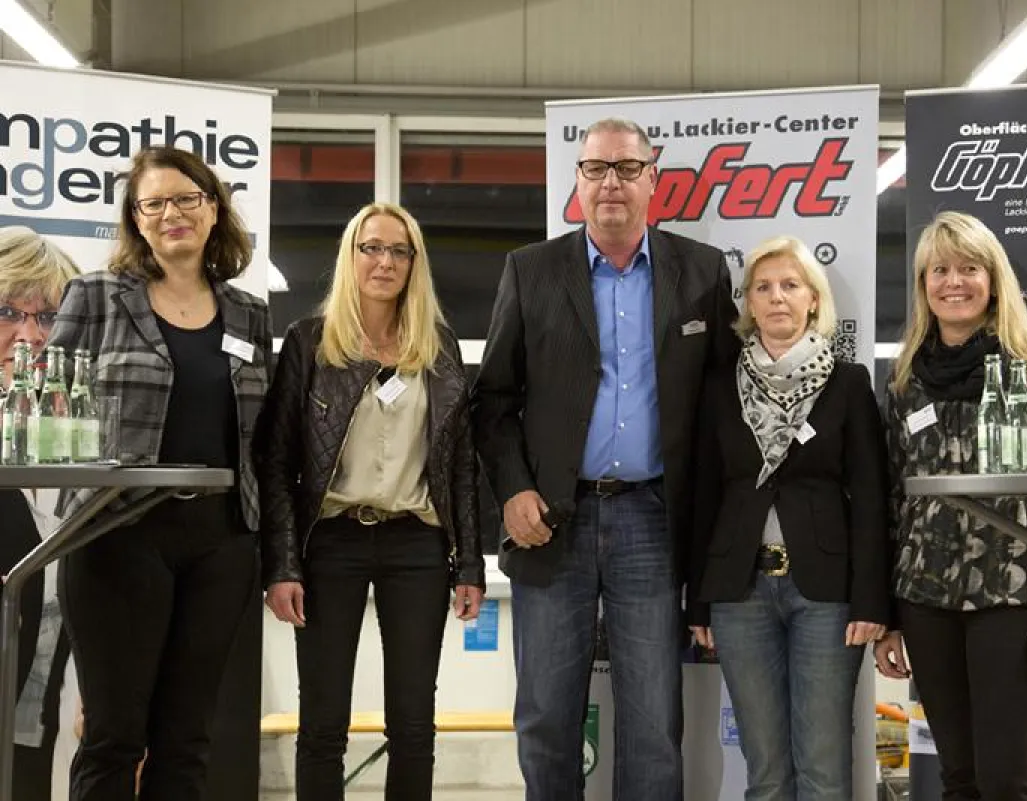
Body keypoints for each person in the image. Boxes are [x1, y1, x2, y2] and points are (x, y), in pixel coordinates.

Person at [471, 116, 739, 801]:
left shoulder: (701, 273)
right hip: (552, 520)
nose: (611, 183)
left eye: (626, 168)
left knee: (654, 724)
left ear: (654, 179)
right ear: (578, 183)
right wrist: (514, 490)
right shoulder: (530, 272)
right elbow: (493, 401)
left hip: (654, 520)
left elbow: (719, 417)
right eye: (596, 169)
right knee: (546, 720)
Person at [46, 145, 272, 801]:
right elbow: (56, 402)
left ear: (212, 208)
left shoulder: (249, 312)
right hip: (115, 531)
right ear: (136, 218)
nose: (172, 213)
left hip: (220, 542)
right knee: (114, 733)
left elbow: (261, 438)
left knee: (187, 738)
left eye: (186, 199)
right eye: (155, 203)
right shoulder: (95, 296)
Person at [256, 202, 485, 801]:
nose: (384, 261)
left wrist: (471, 566)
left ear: (414, 264)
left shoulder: (438, 348)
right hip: (330, 541)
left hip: (418, 544)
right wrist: (281, 564)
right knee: (323, 723)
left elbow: (460, 463)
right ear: (350, 256)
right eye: (371, 248)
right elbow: (276, 462)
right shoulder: (311, 342)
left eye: (398, 251)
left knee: (413, 725)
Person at [873, 211, 1027, 801]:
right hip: (925, 600)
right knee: (957, 778)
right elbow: (892, 500)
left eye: (969, 268)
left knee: (1007, 780)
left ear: (992, 279)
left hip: (1013, 598)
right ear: (923, 285)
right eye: (939, 270)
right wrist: (889, 614)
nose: (954, 282)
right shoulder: (904, 379)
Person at [688, 235, 890, 801]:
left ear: (813, 301)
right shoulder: (718, 387)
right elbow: (704, 497)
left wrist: (873, 602)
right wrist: (698, 600)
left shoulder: (848, 383)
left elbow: (873, 498)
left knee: (824, 773)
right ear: (748, 304)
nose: (777, 297)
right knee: (766, 771)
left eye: (790, 286)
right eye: (764, 287)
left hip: (826, 597)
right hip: (739, 593)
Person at [0, 225, 80, 801]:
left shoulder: (76, 425)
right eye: (9, 312)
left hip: (43, 685)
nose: (29, 334)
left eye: (47, 317)